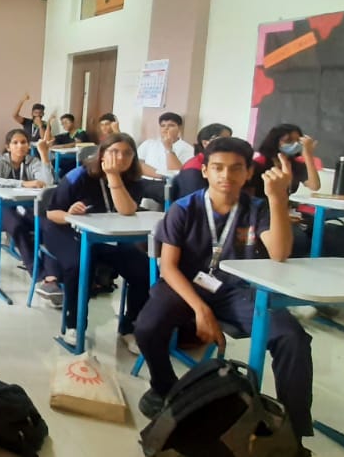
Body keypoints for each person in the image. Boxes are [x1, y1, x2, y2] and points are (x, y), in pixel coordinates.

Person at [135, 138, 313, 453]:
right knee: (147, 326)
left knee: (292, 337)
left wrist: (277, 198)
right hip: (185, 286)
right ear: (205, 170)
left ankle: (292, 434)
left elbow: (280, 253)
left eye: (235, 169)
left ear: (248, 173)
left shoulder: (257, 209)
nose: (226, 176)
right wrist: (201, 310)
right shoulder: (184, 208)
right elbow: (169, 267)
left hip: (237, 291)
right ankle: (164, 388)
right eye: (217, 168)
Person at [41, 133, 151, 353]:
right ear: (101, 154)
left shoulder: (134, 180)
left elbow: (127, 211)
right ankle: (73, 325)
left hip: (109, 236)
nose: (120, 158)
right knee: (79, 266)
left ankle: (129, 327)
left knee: (143, 269)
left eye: (127, 153)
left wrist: (113, 177)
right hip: (65, 230)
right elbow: (52, 213)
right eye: (114, 152)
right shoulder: (78, 176)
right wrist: (71, 215)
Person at [0, 129, 54, 276]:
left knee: (45, 224)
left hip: (23, 208)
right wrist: (23, 183)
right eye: (15, 143)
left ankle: (52, 271)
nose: (20, 146)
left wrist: (44, 155)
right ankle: (37, 273)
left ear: (29, 145)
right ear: (8, 147)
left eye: (23, 142)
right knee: (17, 226)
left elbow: (48, 184)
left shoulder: (32, 162)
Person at [251, 124, 321, 198]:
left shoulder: (296, 165)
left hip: (284, 204)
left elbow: (314, 186)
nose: (295, 144)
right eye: (289, 140)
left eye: (298, 141)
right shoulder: (259, 163)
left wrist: (308, 155)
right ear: (275, 141)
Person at [175, 123, 233, 198]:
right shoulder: (194, 167)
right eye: (223, 140)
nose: (229, 144)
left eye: (230, 140)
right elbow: (195, 200)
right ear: (205, 143)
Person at [138, 112, 195, 176]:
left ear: (179, 128)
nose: (166, 128)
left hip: (169, 181)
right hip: (145, 179)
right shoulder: (148, 143)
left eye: (171, 125)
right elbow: (137, 165)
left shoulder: (188, 149)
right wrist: (160, 175)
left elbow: (178, 173)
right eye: (163, 126)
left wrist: (168, 148)